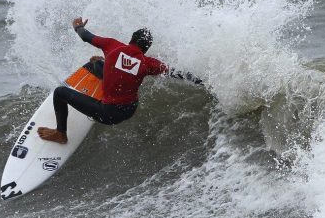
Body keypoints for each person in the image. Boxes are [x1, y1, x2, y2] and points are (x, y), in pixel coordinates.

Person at [38, 17, 203, 144]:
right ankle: (102, 70)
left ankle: (60, 133)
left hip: (108, 113)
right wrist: (201, 81)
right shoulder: (149, 63)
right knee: (96, 64)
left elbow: (85, 36)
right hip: (130, 110)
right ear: (146, 48)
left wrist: (78, 26)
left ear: (131, 39)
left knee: (60, 92)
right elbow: (176, 73)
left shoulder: (113, 45)